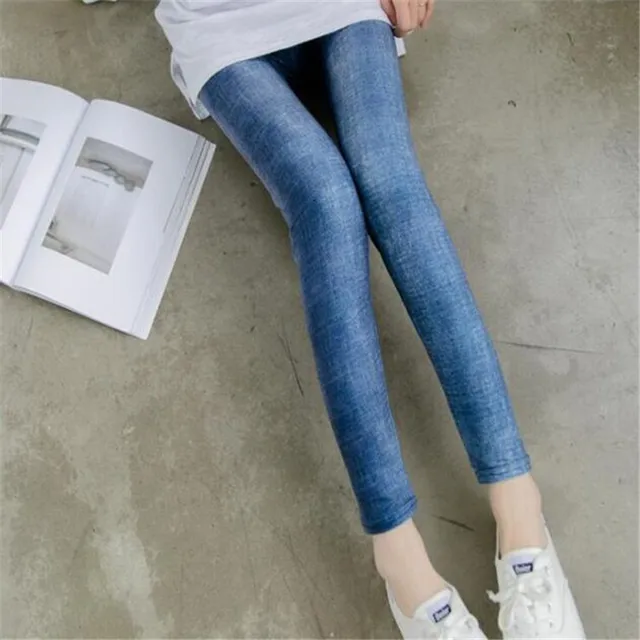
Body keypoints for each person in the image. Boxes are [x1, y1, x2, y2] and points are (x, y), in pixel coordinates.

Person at [156, 1, 586, 637]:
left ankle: (520, 509)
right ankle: (399, 556)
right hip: (216, 22)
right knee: (326, 200)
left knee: (390, 180)